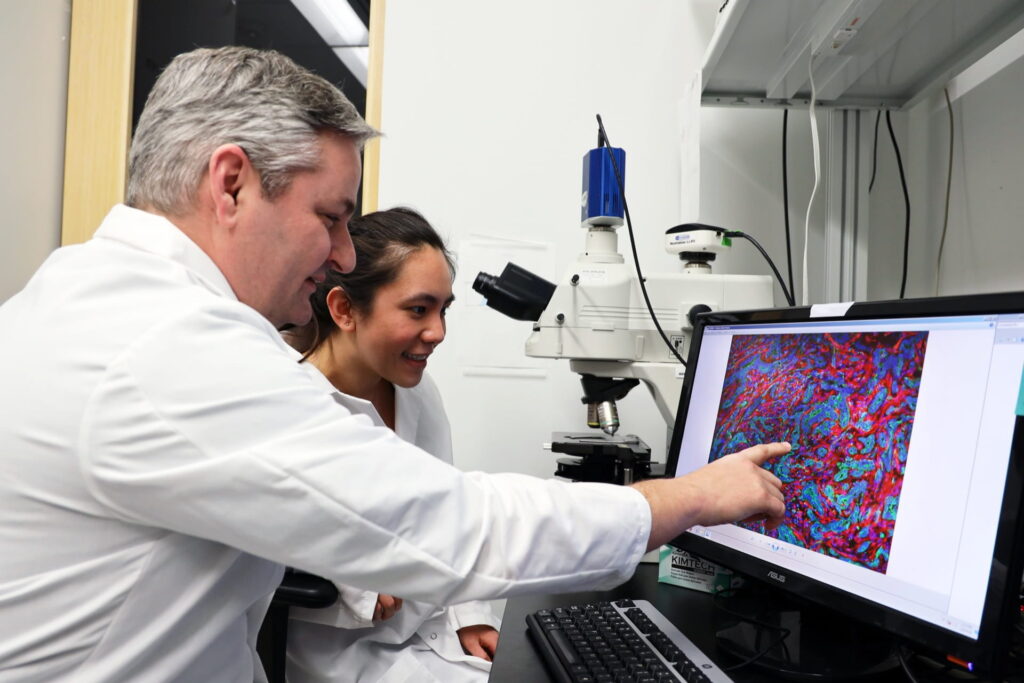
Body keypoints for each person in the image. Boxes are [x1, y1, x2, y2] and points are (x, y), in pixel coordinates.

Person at [0, 45, 788, 681]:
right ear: (232, 183)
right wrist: (689, 497)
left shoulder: (85, 297)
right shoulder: (164, 342)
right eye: (331, 217)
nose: (343, 252)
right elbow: (451, 525)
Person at [284, 207, 498, 683]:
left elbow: (452, 510)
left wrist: (470, 614)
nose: (438, 332)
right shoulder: (290, 400)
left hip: (428, 629)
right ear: (344, 310)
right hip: (339, 650)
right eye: (419, 309)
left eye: (444, 309)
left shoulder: (417, 391)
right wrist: (356, 566)